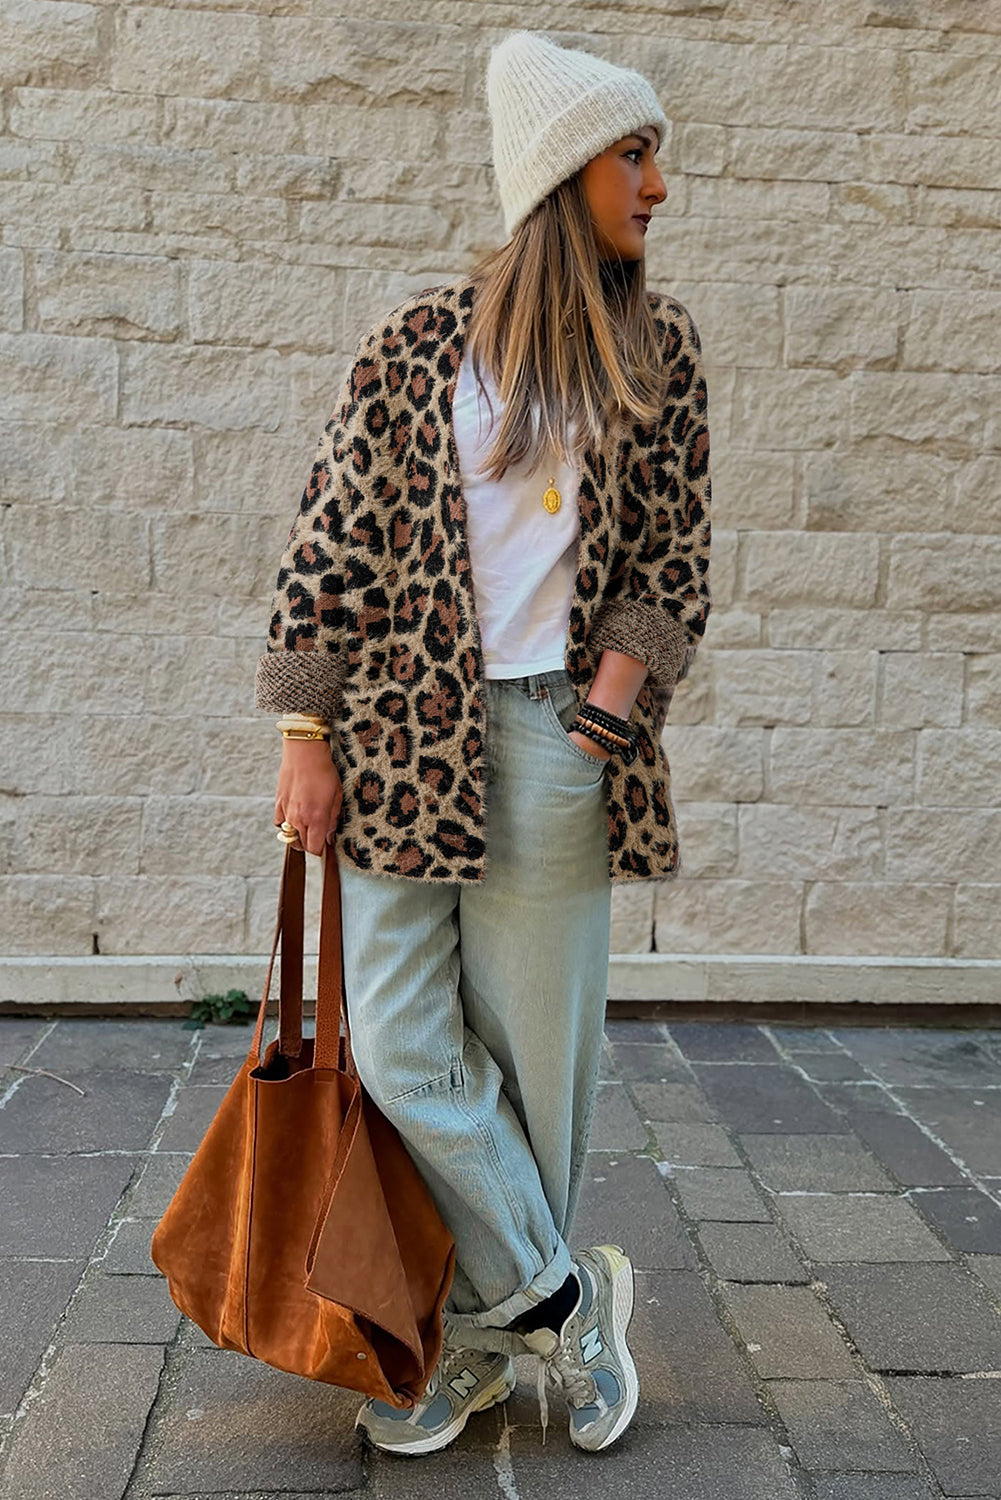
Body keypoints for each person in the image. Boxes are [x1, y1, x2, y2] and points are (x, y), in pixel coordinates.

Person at [256, 29, 712, 1457]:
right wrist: (302, 728)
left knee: (533, 1066)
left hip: (553, 744)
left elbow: (671, 563)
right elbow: (329, 547)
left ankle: (468, 1335)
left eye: (650, 156)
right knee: (398, 1047)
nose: (656, 185)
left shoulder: (660, 351)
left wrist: (605, 713)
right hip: (397, 742)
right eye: (632, 156)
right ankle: (565, 1300)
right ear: (562, 169)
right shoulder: (412, 348)